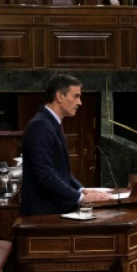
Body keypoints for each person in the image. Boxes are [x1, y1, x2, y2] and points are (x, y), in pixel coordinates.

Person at [20, 75, 112, 216]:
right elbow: (45, 175)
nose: (80, 102)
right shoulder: (40, 125)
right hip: (43, 214)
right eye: (76, 96)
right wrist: (81, 198)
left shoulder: (51, 123)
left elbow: (61, 171)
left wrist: (82, 190)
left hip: (53, 211)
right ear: (59, 96)